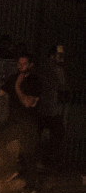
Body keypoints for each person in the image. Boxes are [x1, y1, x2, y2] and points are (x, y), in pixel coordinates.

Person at [0, 53, 43, 193]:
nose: (20, 66)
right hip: (14, 123)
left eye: (24, 64)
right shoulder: (13, 78)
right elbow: (1, 92)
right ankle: (13, 169)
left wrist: (18, 86)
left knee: (29, 154)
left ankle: (32, 186)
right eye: (19, 63)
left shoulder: (34, 81)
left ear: (30, 65)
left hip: (28, 124)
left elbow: (27, 102)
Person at [37, 45, 67, 175]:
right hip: (46, 109)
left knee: (53, 134)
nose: (61, 57)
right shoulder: (51, 68)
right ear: (52, 56)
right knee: (55, 134)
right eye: (58, 55)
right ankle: (43, 160)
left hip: (48, 109)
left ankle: (43, 160)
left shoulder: (49, 68)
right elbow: (61, 85)